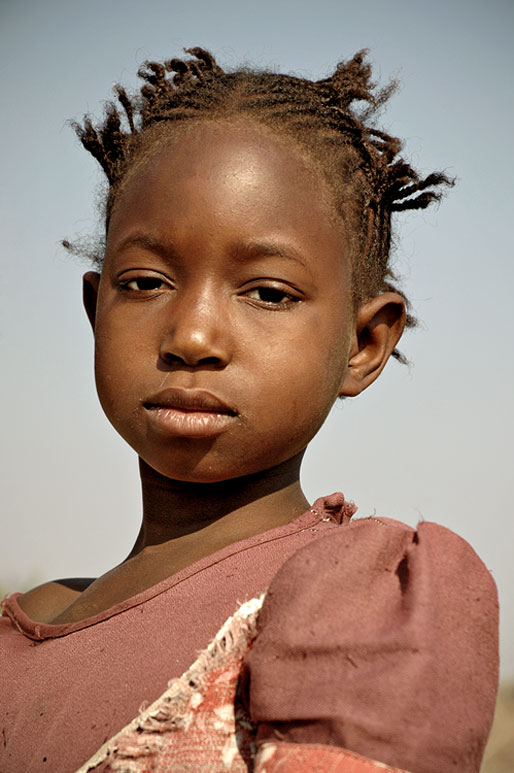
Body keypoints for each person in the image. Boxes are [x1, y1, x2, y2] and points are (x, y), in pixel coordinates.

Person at [0, 48, 498, 773]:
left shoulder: (356, 606)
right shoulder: (24, 625)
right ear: (95, 307)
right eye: (143, 282)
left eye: (267, 292)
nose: (192, 335)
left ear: (363, 343)